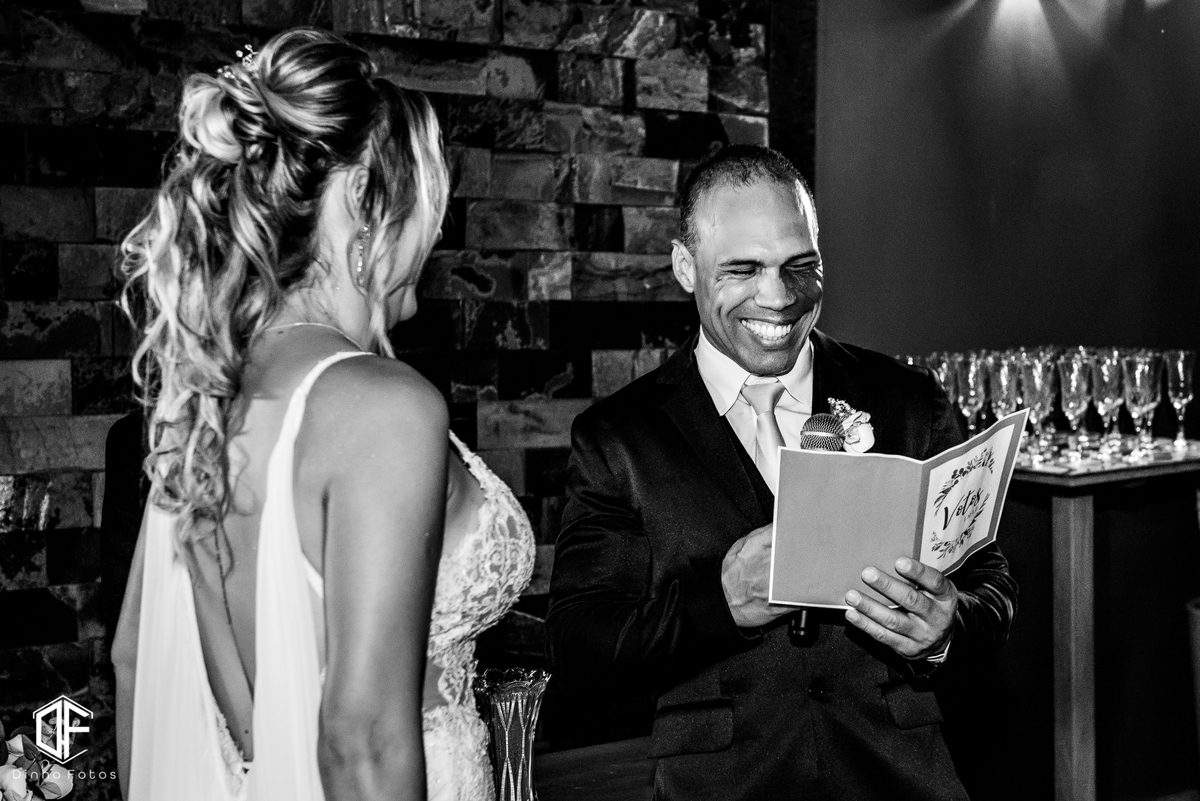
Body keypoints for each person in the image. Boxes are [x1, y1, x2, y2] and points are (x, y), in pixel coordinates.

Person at [111, 28, 534, 801]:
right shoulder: (382, 406)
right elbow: (362, 742)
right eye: (427, 203)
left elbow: (134, 661)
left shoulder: (203, 400)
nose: (435, 235)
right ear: (364, 201)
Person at [546, 145, 1018, 800]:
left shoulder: (908, 400)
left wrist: (944, 629)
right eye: (743, 269)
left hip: (901, 776)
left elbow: (990, 585)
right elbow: (580, 648)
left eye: (801, 266)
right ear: (685, 266)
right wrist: (720, 604)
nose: (779, 297)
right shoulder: (619, 437)